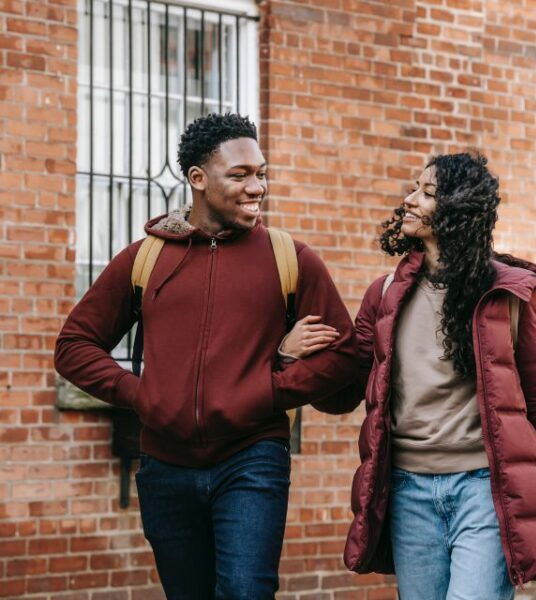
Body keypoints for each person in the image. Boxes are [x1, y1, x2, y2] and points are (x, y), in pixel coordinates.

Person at [54, 113, 358, 599]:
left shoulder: (290, 259)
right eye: (239, 175)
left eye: (261, 173)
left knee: (244, 590)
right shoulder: (145, 259)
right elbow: (74, 347)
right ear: (198, 179)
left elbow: (345, 357)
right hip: (164, 465)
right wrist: (141, 395)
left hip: (252, 458)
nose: (256, 186)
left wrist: (272, 388)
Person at [338, 152, 536, 599]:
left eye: (427, 193)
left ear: (458, 209)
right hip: (408, 492)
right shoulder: (385, 294)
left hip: (484, 491)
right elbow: (344, 379)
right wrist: (286, 357)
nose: (409, 200)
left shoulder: (510, 297)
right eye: (414, 188)